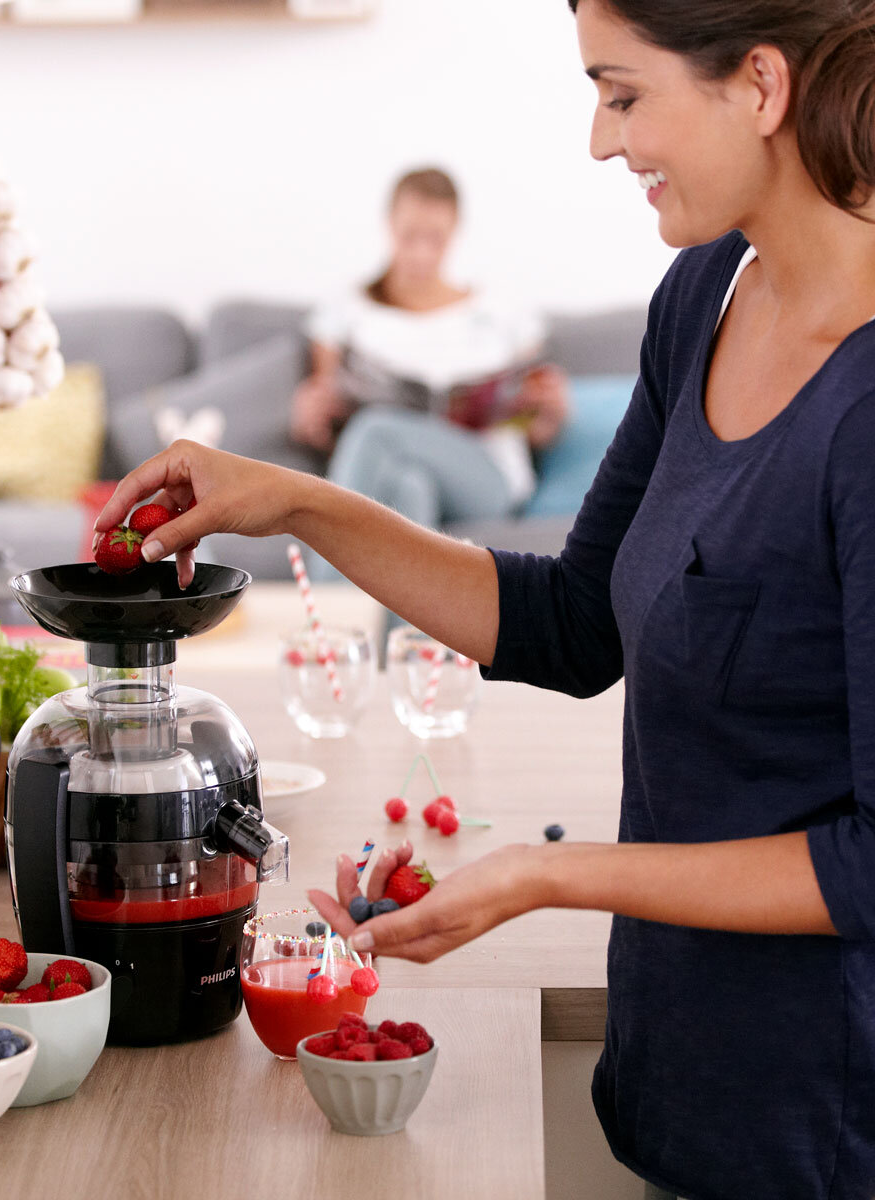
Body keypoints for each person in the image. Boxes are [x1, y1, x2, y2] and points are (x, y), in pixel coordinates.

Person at [95, 2, 875, 1196]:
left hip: (830, 1116)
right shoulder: (706, 297)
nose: (601, 142)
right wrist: (297, 500)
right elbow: (572, 621)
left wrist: (549, 874)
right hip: (684, 1076)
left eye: (621, 93)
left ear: (760, 86)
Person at [290, 168, 570, 548]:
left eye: (436, 238)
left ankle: (327, 602)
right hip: (387, 471)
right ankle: (386, 610)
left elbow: (537, 429)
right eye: (409, 236)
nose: (422, 252)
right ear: (389, 225)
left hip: (486, 475)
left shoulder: (502, 312)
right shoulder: (347, 310)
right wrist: (310, 415)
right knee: (408, 489)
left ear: (455, 230)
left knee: (377, 429)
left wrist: (550, 414)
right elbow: (325, 418)